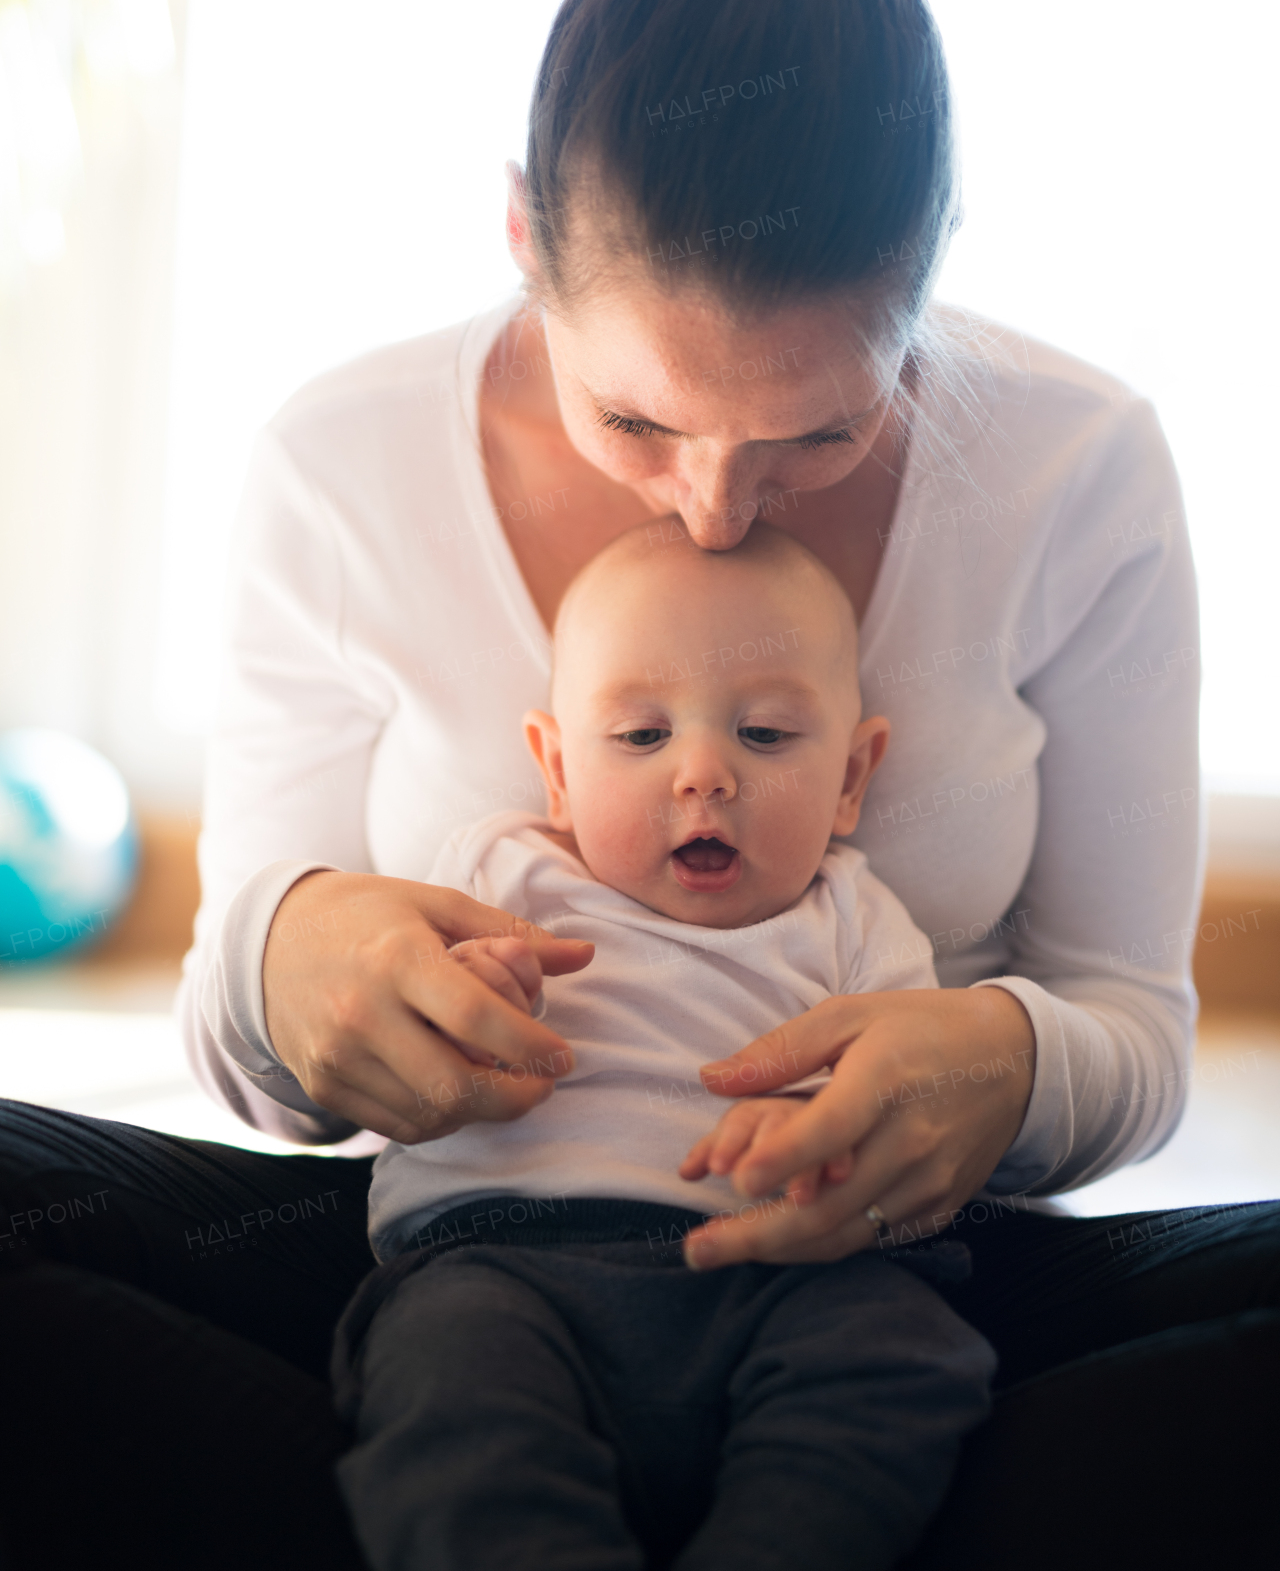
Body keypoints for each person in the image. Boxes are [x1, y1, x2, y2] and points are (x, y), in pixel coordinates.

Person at [0, 0, 1275, 1570]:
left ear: (934, 273)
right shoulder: (340, 462)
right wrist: (292, 965)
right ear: (522, 235)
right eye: (640, 421)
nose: (715, 507)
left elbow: (1128, 1032)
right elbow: (246, 1044)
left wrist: (1007, 1063)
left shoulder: (1080, 469)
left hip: (875, 1272)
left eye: (823, 430)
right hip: (478, 1258)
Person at [334, 518, 998, 1571]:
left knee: (903, 1353)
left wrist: (838, 1138)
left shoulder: (856, 922)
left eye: (767, 735)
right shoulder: (501, 877)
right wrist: (465, 998)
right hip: (504, 1261)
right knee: (451, 1386)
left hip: (783, 1273)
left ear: (850, 775)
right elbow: (384, 1031)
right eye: (640, 737)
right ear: (554, 767)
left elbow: (916, 1100)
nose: (702, 774)